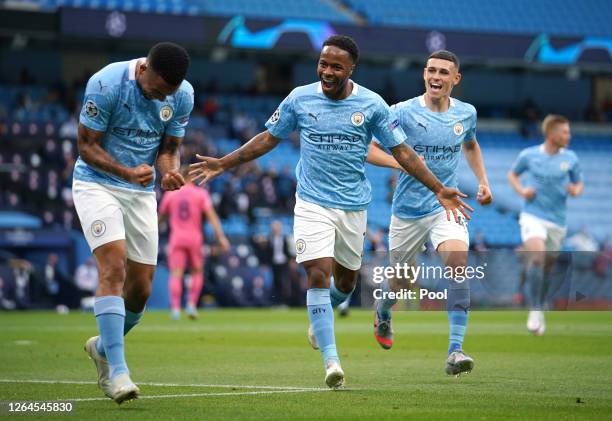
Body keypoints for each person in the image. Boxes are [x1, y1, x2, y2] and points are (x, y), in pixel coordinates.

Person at [190, 35, 472, 389]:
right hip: (311, 203)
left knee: (346, 282)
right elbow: (268, 137)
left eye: (336, 66)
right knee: (318, 275)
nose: (327, 71)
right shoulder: (299, 98)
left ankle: (324, 314)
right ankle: (332, 361)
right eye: (323, 64)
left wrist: (438, 188)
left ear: (351, 68)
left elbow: (402, 152)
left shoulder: (372, 105)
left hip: (353, 206)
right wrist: (224, 163)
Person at [72, 42, 193, 404]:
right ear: (143, 70)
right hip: (97, 183)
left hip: (141, 191)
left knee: (140, 291)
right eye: (156, 91)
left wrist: (169, 173)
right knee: (113, 268)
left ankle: (103, 349)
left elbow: (169, 150)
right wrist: (125, 171)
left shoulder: (183, 95)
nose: (161, 99)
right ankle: (118, 373)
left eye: (166, 95)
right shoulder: (106, 83)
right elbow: (86, 145)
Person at [372, 50, 492, 376]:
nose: (436, 77)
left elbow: (470, 144)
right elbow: (368, 147)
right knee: (403, 281)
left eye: (444, 72)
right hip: (407, 211)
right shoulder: (402, 112)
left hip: (445, 205)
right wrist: (401, 162)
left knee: (457, 264)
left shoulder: (466, 114)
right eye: (432, 71)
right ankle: (383, 311)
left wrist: (483, 181)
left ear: (456, 79)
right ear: (424, 74)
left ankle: (455, 350)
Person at [507, 114, 583, 335]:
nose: (569, 135)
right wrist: (522, 191)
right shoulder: (529, 155)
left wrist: (575, 190)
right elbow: (512, 174)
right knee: (538, 258)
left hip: (557, 222)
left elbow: (578, 184)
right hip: (533, 216)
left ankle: (540, 306)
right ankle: (534, 308)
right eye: (565, 132)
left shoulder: (571, 158)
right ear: (551, 134)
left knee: (548, 268)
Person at [159, 166, 230, 320]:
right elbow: (212, 217)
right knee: (197, 271)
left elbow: (160, 217)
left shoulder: (171, 194)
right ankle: (191, 305)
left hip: (176, 238)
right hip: (194, 239)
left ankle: (176, 309)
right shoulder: (201, 194)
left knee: (176, 274)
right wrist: (221, 237)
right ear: (192, 177)